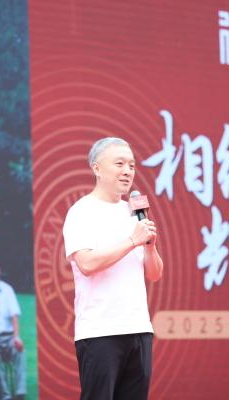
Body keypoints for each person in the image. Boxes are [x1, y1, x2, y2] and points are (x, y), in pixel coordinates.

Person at [62, 137, 163, 400]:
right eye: (119, 164)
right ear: (97, 168)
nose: (127, 171)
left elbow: (154, 274)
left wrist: (149, 246)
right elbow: (87, 263)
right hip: (100, 331)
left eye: (132, 165)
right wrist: (132, 241)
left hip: (138, 328)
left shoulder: (134, 213)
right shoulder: (81, 211)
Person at [0, 255, 26, 400]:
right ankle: (6, 394)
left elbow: (14, 316)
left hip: (9, 337)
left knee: (20, 350)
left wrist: (16, 337)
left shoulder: (8, 290)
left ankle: (20, 393)